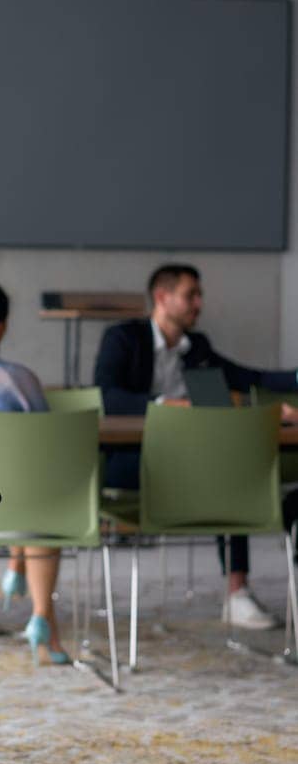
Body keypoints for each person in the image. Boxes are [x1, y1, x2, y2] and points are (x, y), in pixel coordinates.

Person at [94, 262, 298, 629]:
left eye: (199, 296)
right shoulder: (123, 338)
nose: (199, 304)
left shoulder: (197, 347)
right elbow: (107, 396)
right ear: (162, 296)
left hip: (194, 461)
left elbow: (249, 376)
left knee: (233, 475)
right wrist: (171, 407)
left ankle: (237, 593)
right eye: (191, 295)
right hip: (134, 461)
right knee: (225, 471)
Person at [0, 282, 70, 665]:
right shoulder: (19, 380)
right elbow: (47, 447)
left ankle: (18, 569)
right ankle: (42, 618)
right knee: (41, 502)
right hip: (22, 507)